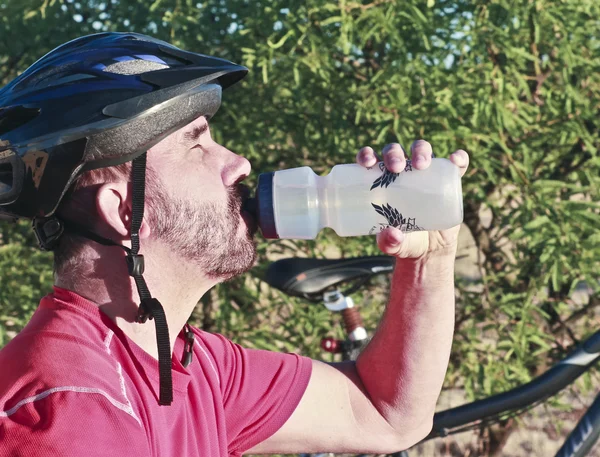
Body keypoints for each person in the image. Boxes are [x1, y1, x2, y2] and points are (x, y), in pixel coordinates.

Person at [0, 32, 469, 456]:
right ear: (125, 212)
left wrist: (432, 256)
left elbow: (385, 414)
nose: (240, 164)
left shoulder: (191, 368)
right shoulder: (70, 418)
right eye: (197, 145)